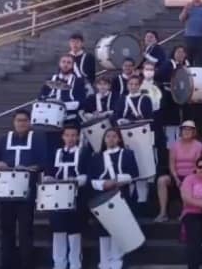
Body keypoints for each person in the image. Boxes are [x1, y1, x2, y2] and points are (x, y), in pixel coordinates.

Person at [0, 109, 46, 269]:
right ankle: (7, 263)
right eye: (19, 120)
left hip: (26, 191)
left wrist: (32, 168)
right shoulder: (3, 139)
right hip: (5, 191)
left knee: (26, 230)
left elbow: (43, 162)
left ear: (30, 122)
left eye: (25, 120)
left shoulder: (38, 140)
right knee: (6, 229)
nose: (22, 123)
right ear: (14, 122)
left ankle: (26, 264)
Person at [88, 127, 139, 269]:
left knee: (118, 227)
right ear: (104, 139)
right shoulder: (97, 157)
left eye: (114, 136)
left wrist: (116, 181)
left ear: (119, 139)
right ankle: (104, 262)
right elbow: (91, 179)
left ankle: (116, 260)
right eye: (108, 136)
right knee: (103, 229)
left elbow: (134, 174)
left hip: (121, 195)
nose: (111, 139)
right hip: (102, 196)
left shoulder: (127, 154)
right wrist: (103, 184)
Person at [45, 124, 88, 269]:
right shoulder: (55, 153)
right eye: (68, 135)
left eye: (74, 135)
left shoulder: (83, 153)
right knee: (58, 230)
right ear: (63, 137)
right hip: (57, 197)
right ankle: (59, 263)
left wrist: (75, 180)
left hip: (76, 196)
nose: (70, 138)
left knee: (75, 231)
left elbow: (87, 174)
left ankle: (75, 263)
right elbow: (49, 172)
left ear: (78, 137)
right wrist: (49, 179)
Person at [155, 120, 202, 222]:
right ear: (181, 131)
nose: (187, 132)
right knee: (161, 180)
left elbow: (197, 164)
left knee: (187, 184)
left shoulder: (198, 145)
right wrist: (176, 178)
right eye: (184, 129)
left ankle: (185, 212)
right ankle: (163, 213)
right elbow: (171, 164)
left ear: (194, 132)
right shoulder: (174, 145)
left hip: (191, 175)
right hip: (176, 175)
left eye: (189, 130)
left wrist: (188, 179)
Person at [39, 54, 87, 127]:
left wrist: (63, 105)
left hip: (69, 117)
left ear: (72, 65)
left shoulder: (78, 81)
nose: (65, 65)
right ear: (59, 63)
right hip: (49, 115)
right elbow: (41, 96)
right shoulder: (50, 79)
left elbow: (82, 101)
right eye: (63, 62)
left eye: (69, 62)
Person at [179, 0, 202, 66]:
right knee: (188, 59)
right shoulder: (188, 7)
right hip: (189, 37)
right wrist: (186, 10)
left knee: (201, 61)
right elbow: (181, 19)